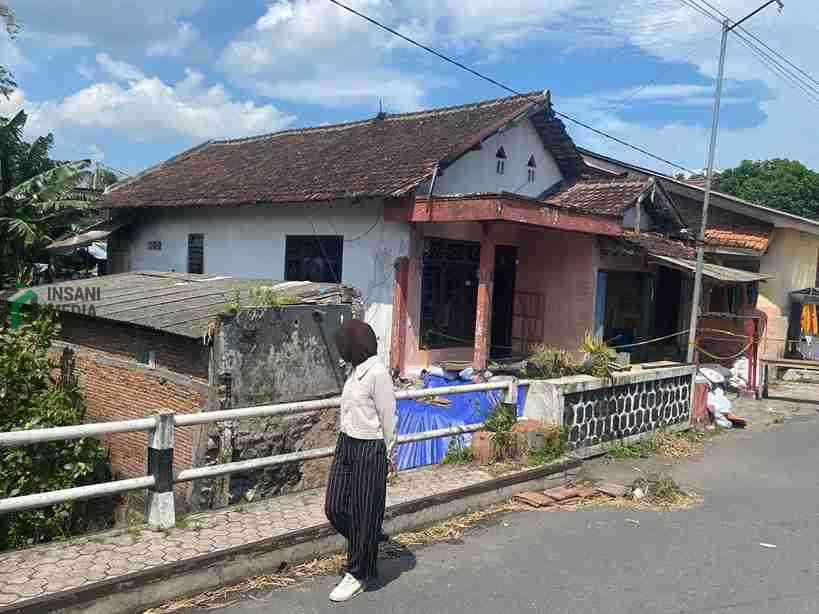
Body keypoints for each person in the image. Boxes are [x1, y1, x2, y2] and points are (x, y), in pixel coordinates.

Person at [325, 319, 397, 602]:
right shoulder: (355, 372)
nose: (341, 349)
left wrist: (390, 454)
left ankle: (357, 573)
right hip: (347, 443)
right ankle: (368, 537)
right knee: (334, 506)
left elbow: (389, 416)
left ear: (355, 346)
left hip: (370, 447)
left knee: (365, 511)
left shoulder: (378, 374)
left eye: (344, 344)